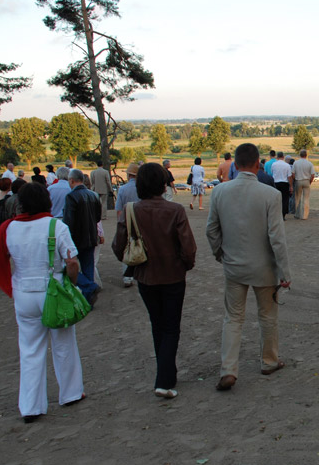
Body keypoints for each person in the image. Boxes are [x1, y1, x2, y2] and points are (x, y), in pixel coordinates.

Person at [0, 182, 85, 423]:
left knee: (30, 349)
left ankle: (31, 406)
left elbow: (0, 264)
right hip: (52, 290)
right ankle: (71, 393)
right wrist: (71, 283)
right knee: (64, 343)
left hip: (23, 292)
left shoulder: (8, 228)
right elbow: (72, 262)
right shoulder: (56, 226)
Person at [206, 143, 291, 392]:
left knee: (232, 318)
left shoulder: (220, 192)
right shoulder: (270, 195)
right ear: (258, 164)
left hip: (233, 267)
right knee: (267, 316)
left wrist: (220, 253)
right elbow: (277, 237)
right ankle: (269, 361)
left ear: (235, 164)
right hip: (265, 268)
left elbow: (211, 229)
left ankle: (228, 369)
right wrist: (285, 272)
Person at [113, 163, 197, 399]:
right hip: (173, 276)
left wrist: (134, 264)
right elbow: (188, 248)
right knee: (171, 327)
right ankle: (165, 379)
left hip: (145, 277)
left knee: (157, 324)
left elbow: (118, 247)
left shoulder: (132, 210)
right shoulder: (175, 211)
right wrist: (184, 266)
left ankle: (166, 372)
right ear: (163, 184)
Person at [63, 169, 101, 305]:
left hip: (76, 238)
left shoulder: (71, 197)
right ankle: (88, 298)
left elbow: (68, 220)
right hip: (91, 236)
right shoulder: (94, 195)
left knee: (66, 266)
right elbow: (97, 217)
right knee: (88, 266)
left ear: (72, 180)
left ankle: (90, 288)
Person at [114, 163, 141, 287]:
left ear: (129, 175)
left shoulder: (123, 189)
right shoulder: (142, 188)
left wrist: (120, 223)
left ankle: (127, 277)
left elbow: (119, 209)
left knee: (127, 248)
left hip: (127, 221)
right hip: (141, 221)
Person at [292, 149, 316, 219]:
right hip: (306, 181)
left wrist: (295, 179)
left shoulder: (296, 163)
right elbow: (312, 175)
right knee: (306, 199)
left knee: (297, 198)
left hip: (298, 180)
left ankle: (297, 214)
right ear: (306, 155)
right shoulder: (309, 163)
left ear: (300, 155)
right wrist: (310, 182)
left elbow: (293, 173)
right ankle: (305, 215)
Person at [271, 151, 293, 220]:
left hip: (276, 183)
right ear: (283, 157)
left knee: (276, 200)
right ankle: (283, 215)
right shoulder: (287, 165)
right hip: (284, 183)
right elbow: (289, 177)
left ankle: (276, 214)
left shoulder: (274, 164)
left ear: (277, 157)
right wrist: (291, 186)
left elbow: (272, 173)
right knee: (284, 199)